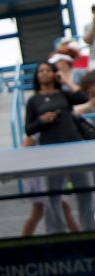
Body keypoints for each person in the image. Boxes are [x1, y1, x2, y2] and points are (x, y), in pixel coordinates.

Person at [23, 61, 94, 233]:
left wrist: (66, 80)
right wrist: (42, 120)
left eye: (48, 70)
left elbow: (84, 98)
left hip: (74, 147)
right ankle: (56, 233)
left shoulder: (64, 94)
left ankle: (89, 229)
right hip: (50, 152)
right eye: (41, 71)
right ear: (37, 76)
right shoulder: (34, 100)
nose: (45, 73)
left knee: (85, 191)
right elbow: (29, 128)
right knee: (52, 196)